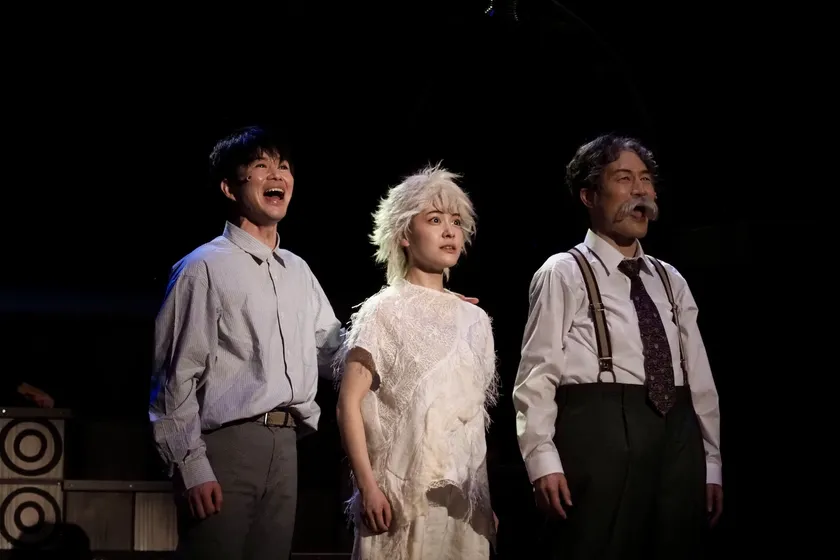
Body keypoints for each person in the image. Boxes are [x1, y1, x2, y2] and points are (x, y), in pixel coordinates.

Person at [512, 134, 723, 559]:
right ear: (589, 195)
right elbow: (537, 373)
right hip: (599, 429)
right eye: (624, 179)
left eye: (645, 180)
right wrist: (542, 460)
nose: (640, 191)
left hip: (677, 434)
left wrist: (711, 461)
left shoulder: (669, 279)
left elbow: (700, 377)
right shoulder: (564, 271)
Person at [149, 125, 343, 560]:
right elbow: (175, 378)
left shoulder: (297, 270)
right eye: (261, 165)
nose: (277, 174)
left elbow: (335, 352)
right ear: (229, 187)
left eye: (284, 166)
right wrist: (191, 465)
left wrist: (421, 306)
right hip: (227, 445)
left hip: (288, 445)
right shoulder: (203, 267)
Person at [335, 165, 498, 559]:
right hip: (401, 497)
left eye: (456, 221)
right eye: (435, 219)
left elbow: (471, 423)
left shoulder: (475, 319)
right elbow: (348, 404)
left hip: (461, 502)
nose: (450, 231)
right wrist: (367, 486)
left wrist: (485, 499)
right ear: (405, 234)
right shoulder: (383, 310)